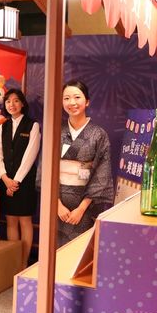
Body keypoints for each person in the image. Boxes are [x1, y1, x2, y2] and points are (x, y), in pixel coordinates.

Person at [56, 80, 113, 246]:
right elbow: (46, 170)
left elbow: (102, 173)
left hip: (84, 205)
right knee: (55, 252)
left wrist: (81, 209)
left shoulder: (98, 134)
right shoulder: (56, 131)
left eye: (77, 97)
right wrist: (56, 204)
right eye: (66, 98)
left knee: (79, 250)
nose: (72, 102)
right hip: (57, 205)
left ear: (87, 101)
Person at [0, 89, 40, 267]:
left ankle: (23, 262)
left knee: (25, 220)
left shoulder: (32, 125)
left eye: (16, 101)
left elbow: (30, 155)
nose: (11, 104)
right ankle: (14, 262)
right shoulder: (3, 126)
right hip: (6, 180)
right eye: (8, 101)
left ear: (22, 103)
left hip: (25, 181)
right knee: (11, 220)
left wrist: (16, 181)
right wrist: (5, 178)